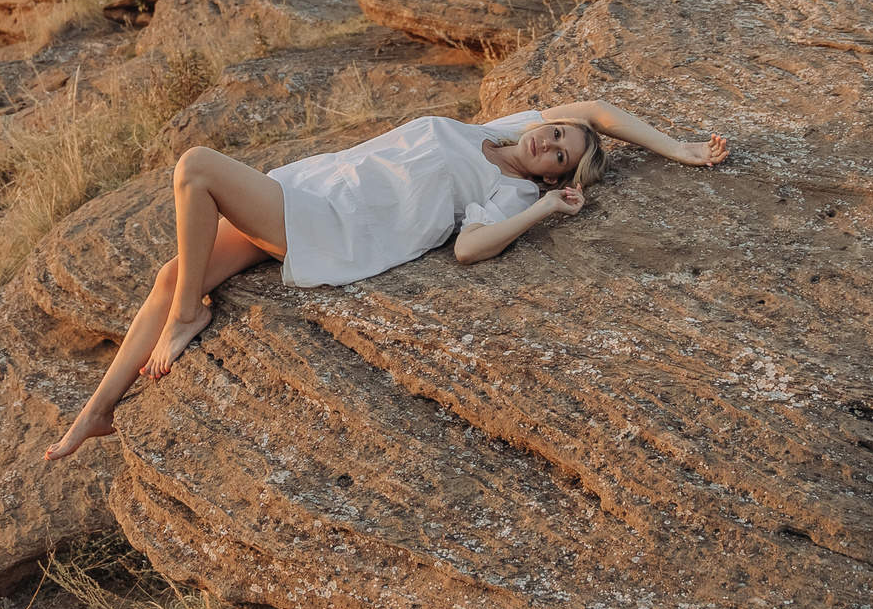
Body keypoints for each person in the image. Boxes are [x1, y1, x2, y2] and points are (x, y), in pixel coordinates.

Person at [43, 101, 728, 460]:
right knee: (171, 271)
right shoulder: (503, 126)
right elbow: (601, 112)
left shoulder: (511, 192)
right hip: (309, 184)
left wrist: (549, 208)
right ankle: (96, 411)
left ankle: (190, 315)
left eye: (558, 157)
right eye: (555, 133)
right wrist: (677, 144)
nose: (548, 143)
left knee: (195, 166)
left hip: (334, 223)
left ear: (552, 175)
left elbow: (470, 250)